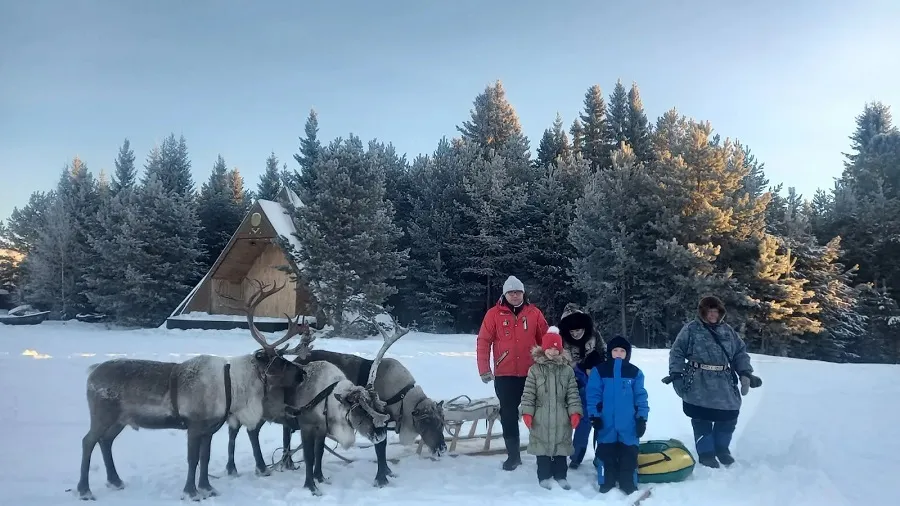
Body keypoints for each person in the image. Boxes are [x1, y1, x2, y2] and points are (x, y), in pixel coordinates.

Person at [666, 295, 763, 468]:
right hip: (698, 380)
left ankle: (722, 449)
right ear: (703, 312)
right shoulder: (691, 329)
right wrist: (676, 374)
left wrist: (745, 372)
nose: (713, 315)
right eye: (709, 311)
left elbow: (740, 353)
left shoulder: (728, 331)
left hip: (723, 381)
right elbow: (677, 352)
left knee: (729, 415)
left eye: (716, 311)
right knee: (701, 417)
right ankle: (706, 452)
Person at [476, 275, 549, 471]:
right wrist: (484, 368)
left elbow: (546, 341)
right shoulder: (493, 314)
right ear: (505, 294)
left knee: (538, 413)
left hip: (532, 374)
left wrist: (549, 365)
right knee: (508, 415)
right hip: (505, 375)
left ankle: (543, 453)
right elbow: (483, 341)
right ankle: (513, 456)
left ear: (523, 294)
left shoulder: (534, 313)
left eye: (518, 292)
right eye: (511, 292)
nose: (515, 296)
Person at [519, 327, 583, 490]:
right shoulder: (534, 370)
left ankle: (561, 476)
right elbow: (528, 393)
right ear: (543, 349)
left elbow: (573, 393)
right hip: (541, 417)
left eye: (556, 349)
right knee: (543, 448)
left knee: (561, 448)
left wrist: (574, 411)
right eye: (550, 348)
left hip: (562, 416)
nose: (553, 352)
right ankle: (544, 476)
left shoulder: (567, 370)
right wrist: (527, 412)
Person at [586, 335, 649, 495]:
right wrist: (594, 415)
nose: (619, 353)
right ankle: (607, 480)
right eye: (615, 350)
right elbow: (593, 395)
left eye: (622, 350)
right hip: (606, 423)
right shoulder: (599, 371)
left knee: (628, 454)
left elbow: (641, 397)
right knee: (606, 453)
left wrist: (642, 418)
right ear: (610, 352)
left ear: (627, 353)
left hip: (629, 424)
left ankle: (627, 481)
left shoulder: (635, 372)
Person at [557, 303, 606, 469]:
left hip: (596, 380)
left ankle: (602, 455)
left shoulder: (594, 335)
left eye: (579, 330)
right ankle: (575, 456)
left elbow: (604, 353)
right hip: (573, 383)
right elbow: (558, 363)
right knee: (581, 422)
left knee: (600, 418)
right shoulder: (561, 340)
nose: (576, 334)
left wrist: (598, 364)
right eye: (572, 332)